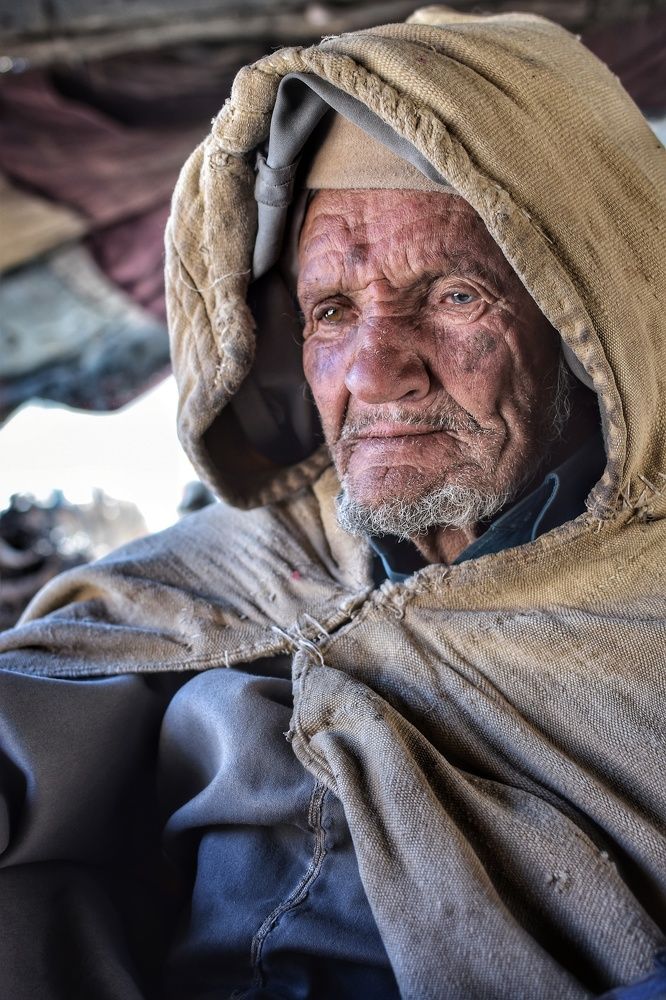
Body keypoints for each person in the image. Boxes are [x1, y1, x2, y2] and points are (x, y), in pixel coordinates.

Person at [0, 6, 665, 998]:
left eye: (456, 296)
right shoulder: (259, 545)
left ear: (589, 327)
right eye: (333, 311)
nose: (377, 373)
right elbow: (45, 706)